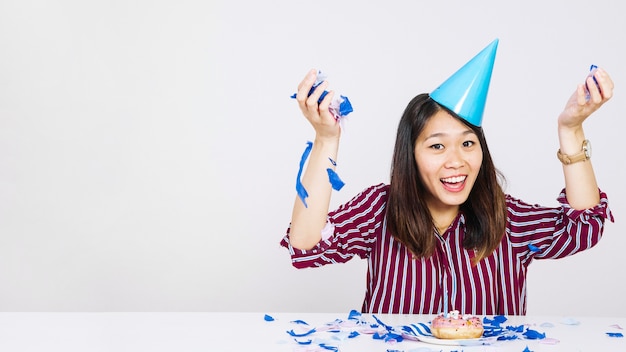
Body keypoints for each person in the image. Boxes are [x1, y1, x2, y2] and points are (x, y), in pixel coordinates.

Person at [280, 39, 614, 316]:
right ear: (410, 154)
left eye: (468, 143)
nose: (456, 161)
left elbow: (584, 226)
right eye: (437, 145)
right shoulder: (380, 209)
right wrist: (326, 138)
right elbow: (306, 245)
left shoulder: (507, 219)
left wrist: (570, 130)